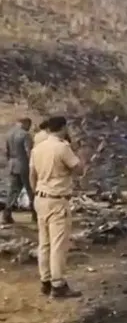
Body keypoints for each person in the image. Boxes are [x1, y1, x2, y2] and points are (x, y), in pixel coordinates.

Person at [29, 116, 84, 298]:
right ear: (63, 128)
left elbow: (32, 175)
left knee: (44, 243)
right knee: (58, 244)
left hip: (40, 197)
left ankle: (45, 281)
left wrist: (37, 193)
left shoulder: (37, 148)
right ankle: (58, 284)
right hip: (57, 199)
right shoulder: (62, 147)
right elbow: (79, 169)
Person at [4, 117, 35, 224]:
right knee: (31, 188)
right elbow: (28, 151)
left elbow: (7, 152)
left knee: (13, 190)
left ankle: (7, 213)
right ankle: (35, 214)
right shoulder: (25, 135)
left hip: (12, 164)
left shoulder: (9, 133)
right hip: (24, 164)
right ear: (25, 123)